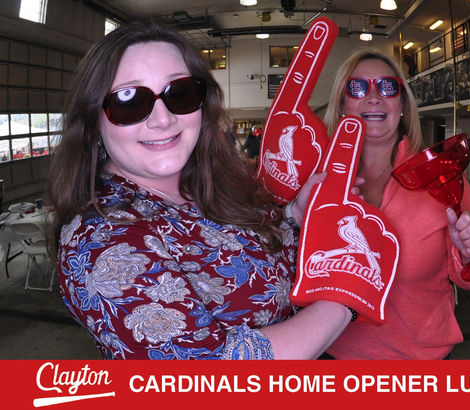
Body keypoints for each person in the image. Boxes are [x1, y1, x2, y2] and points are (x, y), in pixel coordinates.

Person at [46, 22, 353, 360]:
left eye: (179, 93)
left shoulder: (209, 181)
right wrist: (344, 298)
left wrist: (296, 214)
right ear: (92, 120)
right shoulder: (102, 242)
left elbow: (255, 245)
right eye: (128, 100)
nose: (162, 119)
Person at [321, 49, 470, 360]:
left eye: (387, 87)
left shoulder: (439, 173)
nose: (373, 97)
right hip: (332, 353)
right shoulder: (319, 177)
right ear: (341, 104)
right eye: (357, 87)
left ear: (402, 104)